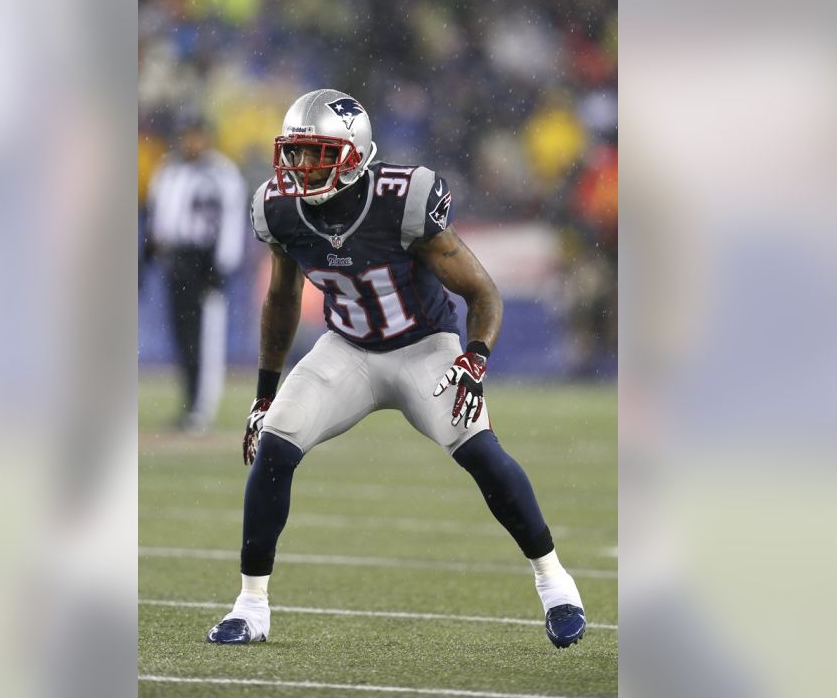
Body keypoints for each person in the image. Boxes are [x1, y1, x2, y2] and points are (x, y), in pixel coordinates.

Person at [205, 89, 586, 648]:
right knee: (276, 443)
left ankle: (555, 582)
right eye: (295, 153)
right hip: (348, 349)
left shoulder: (402, 199)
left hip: (423, 348)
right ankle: (251, 606)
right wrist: (264, 394)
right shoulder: (278, 207)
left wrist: (474, 358)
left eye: (317, 154)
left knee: (479, 448)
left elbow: (483, 292)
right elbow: (281, 300)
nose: (301, 168)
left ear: (355, 154)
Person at [146, 113, 246, 433]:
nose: (191, 141)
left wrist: (221, 267)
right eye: (187, 134)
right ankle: (189, 404)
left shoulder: (222, 173)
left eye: (196, 134)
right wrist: (148, 254)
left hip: (205, 263)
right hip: (176, 261)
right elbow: (158, 217)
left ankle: (201, 409)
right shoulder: (169, 169)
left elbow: (231, 223)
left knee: (205, 338)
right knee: (182, 336)